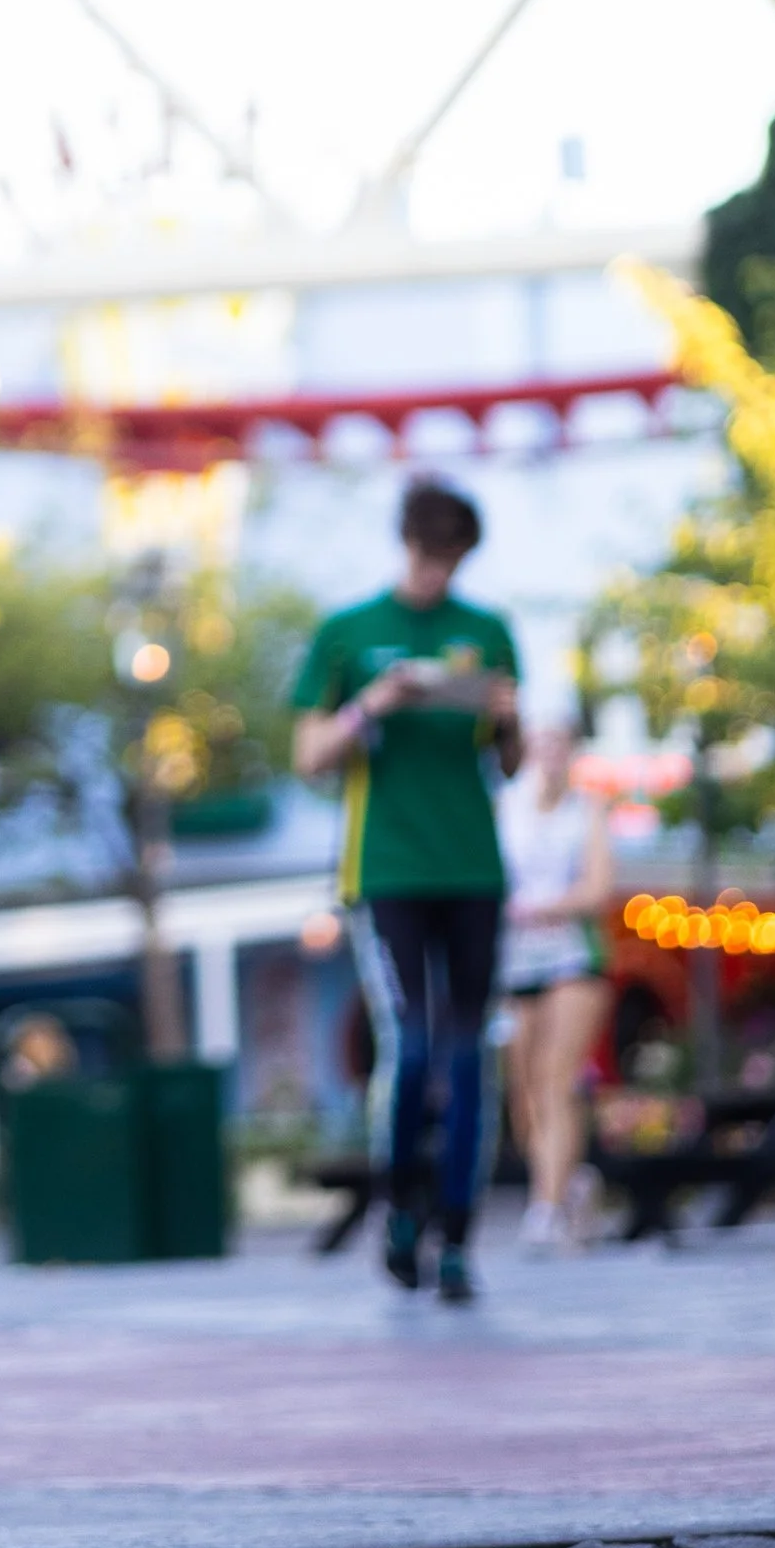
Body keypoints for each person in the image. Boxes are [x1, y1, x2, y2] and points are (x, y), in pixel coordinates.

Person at [293, 480, 522, 1303]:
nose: (436, 573)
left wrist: (505, 713)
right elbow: (309, 752)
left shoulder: (488, 631)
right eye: (428, 556)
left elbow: (512, 761)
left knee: (469, 1058)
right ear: (406, 545)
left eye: (451, 559)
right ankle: (400, 1208)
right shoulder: (350, 633)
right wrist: (371, 705)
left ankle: (456, 1235)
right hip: (384, 871)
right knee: (412, 1045)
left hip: (472, 869)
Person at [498, 722, 614, 1250]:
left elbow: (597, 888)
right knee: (523, 1094)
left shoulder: (586, 810)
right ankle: (571, 1179)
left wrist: (544, 908)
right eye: (540, 741)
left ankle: (544, 1207)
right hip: (516, 964)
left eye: (558, 742)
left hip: (572, 957)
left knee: (555, 1079)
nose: (548, 752)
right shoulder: (505, 807)